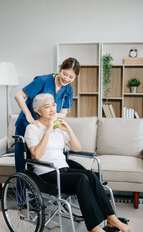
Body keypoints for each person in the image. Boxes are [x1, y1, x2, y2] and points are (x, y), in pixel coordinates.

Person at [24, 93, 132, 232]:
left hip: (63, 169)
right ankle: (94, 227)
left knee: (91, 175)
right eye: (47, 106)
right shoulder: (32, 129)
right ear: (38, 111)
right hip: (46, 174)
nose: (52, 109)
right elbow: (37, 155)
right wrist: (47, 131)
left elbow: (77, 148)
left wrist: (68, 130)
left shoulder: (58, 127)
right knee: (81, 179)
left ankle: (111, 219)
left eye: (53, 105)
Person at [14, 57, 80, 172]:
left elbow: (62, 114)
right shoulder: (43, 81)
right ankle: (21, 190)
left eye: (71, 77)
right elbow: (19, 96)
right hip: (27, 125)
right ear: (60, 69)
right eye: (65, 74)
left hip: (46, 127)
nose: (67, 79)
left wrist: (52, 116)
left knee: (41, 162)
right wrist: (28, 115)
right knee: (23, 165)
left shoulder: (68, 90)